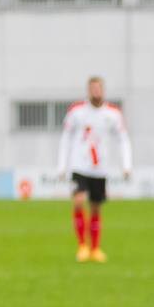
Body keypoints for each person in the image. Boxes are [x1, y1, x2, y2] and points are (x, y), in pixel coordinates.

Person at [57, 76, 132, 263]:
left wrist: (126, 164)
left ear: (103, 90)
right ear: (88, 91)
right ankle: (82, 246)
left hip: (100, 168)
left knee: (96, 208)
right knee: (79, 200)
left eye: (99, 89)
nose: (96, 92)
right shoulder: (77, 112)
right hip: (79, 165)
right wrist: (62, 164)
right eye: (93, 89)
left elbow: (122, 139)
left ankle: (96, 248)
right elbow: (66, 137)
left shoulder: (112, 114)